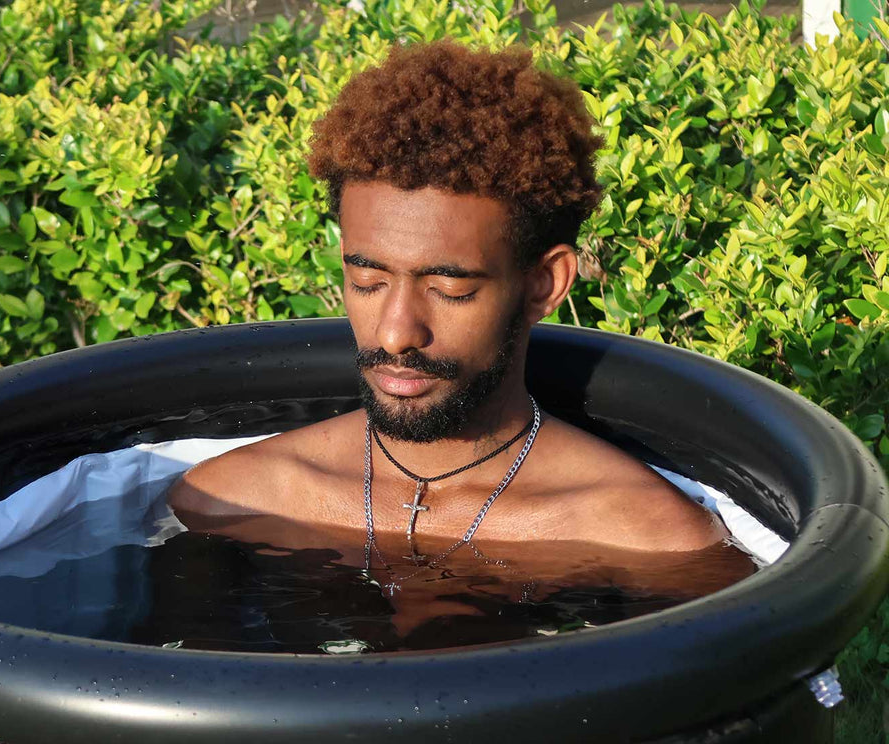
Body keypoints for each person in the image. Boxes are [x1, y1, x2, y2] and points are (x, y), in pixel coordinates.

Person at [170, 41, 752, 624]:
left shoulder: (649, 537)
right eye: (367, 280)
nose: (396, 333)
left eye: (450, 289)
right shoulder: (228, 499)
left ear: (544, 285)